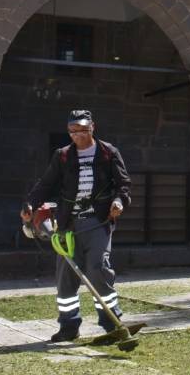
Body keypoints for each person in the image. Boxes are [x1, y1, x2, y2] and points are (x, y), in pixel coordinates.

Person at [21, 110, 131, 343]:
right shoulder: (62, 156)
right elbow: (46, 184)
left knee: (97, 269)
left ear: (93, 127)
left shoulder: (108, 152)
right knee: (66, 276)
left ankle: (112, 324)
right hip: (68, 224)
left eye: (82, 130)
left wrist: (119, 202)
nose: (77, 135)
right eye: (73, 131)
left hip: (97, 222)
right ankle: (69, 326)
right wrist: (31, 203)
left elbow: (124, 185)